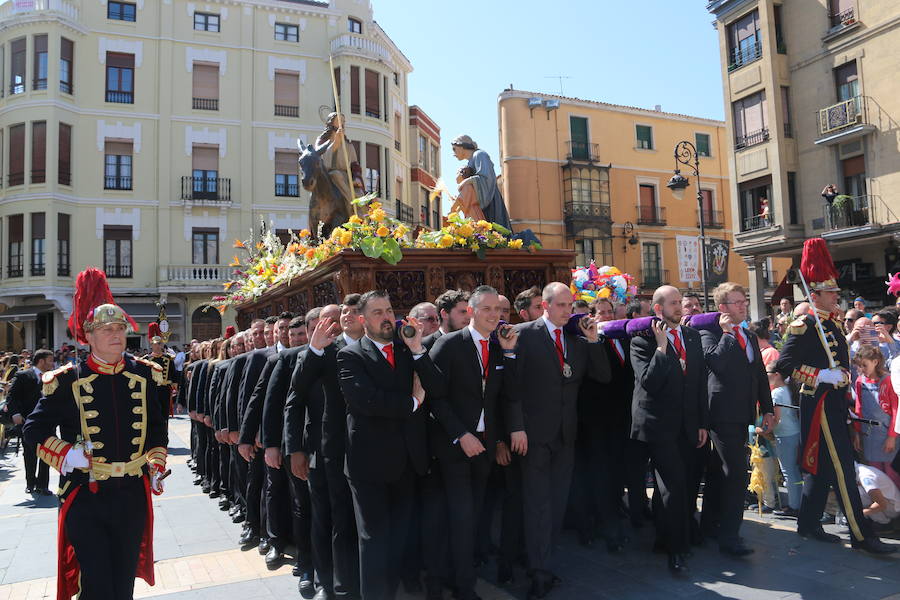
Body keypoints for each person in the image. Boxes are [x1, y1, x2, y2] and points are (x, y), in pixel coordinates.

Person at [23, 267, 169, 600]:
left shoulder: (145, 375)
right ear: (88, 336)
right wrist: (67, 455)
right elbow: (34, 430)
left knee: (123, 584)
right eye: (106, 330)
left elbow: (157, 429)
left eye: (120, 329)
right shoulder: (67, 380)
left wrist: (156, 463)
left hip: (131, 495)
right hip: (86, 496)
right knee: (97, 585)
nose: (116, 335)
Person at [775, 238, 895, 554]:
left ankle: (808, 523)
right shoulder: (805, 324)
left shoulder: (833, 323)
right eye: (830, 292)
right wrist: (820, 375)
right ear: (814, 295)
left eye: (835, 292)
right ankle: (861, 535)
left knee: (824, 467)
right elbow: (784, 364)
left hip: (835, 401)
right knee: (843, 466)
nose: (835, 296)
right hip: (819, 402)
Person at [504, 282, 609, 599]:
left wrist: (594, 341)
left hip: (566, 435)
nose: (567, 311)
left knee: (557, 503)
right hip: (533, 436)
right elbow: (511, 386)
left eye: (570, 305)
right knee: (537, 504)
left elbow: (602, 376)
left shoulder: (577, 338)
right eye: (561, 305)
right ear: (545, 305)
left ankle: (543, 562)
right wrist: (516, 427)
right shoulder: (524, 334)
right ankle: (538, 571)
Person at [335, 290, 441, 600]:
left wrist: (418, 349)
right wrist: (412, 402)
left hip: (408, 461)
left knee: (400, 537)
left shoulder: (408, 349)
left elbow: (436, 386)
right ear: (362, 320)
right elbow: (368, 401)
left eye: (389, 310)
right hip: (370, 465)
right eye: (378, 312)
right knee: (374, 539)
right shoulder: (350, 355)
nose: (386, 317)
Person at [424, 285, 518, 600]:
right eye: (487, 309)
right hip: (453, 447)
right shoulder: (449, 344)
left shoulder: (500, 345)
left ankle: (458, 578)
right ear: (472, 312)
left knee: (472, 517)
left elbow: (507, 395)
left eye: (498, 310)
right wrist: (460, 434)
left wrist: (510, 353)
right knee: (456, 517)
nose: (494, 315)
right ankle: (455, 585)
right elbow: (435, 397)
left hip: (484, 447)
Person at [630, 285, 709, 575]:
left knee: (683, 484)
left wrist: (702, 423)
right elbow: (649, 382)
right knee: (672, 485)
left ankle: (665, 538)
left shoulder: (692, 336)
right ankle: (677, 551)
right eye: (673, 303)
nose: (678, 307)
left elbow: (699, 383)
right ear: (658, 309)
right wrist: (662, 347)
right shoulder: (642, 341)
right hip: (658, 425)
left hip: (688, 425)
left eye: (680, 302)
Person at [699, 283, 774, 557]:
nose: (744, 306)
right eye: (737, 302)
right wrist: (728, 334)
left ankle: (709, 525)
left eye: (744, 301)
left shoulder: (750, 335)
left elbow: (760, 374)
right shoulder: (709, 333)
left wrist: (767, 408)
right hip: (722, 414)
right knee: (736, 473)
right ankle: (730, 536)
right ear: (723, 308)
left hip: (744, 413)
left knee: (719, 471)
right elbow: (716, 363)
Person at [6, 348, 54, 495]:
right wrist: (15, 413)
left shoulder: (53, 377)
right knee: (29, 453)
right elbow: (12, 397)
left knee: (47, 453)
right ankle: (30, 483)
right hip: (28, 421)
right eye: (50, 360)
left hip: (47, 421)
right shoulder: (23, 375)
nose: (53, 364)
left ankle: (43, 485)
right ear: (41, 361)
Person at [852, 345, 900, 489]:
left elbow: (896, 410)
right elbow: (859, 408)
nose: (862, 369)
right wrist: (857, 432)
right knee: (875, 474)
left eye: (864, 365)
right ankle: (881, 501)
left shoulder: (889, 381)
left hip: (887, 434)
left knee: (892, 474)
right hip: (869, 435)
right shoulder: (860, 381)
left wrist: (892, 437)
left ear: (875, 362)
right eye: (859, 366)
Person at [450, 135, 512, 230]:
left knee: (493, 230)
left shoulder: (480, 155)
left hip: (490, 202)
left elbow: (486, 178)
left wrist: (465, 182)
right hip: (478, 206)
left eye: (454, 149)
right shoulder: (470, 162)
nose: (453, 153)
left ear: (461, 146)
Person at [769, 368, 802, 518]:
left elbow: (776, 419)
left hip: (785, 434)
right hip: (794, 432)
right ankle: (797, 503)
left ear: (776, 375)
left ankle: (794, 506)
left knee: (789, 472)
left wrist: (762, 430)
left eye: (768, 372)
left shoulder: (777, 393)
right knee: (794, 471)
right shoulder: (788, 390)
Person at [142, 323, 178, 421]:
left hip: (165, 389)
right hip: (151, 389)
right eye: (155, 344)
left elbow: (173, 373)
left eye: (159, 344)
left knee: (164, 413)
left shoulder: (168, 358)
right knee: (152, 412)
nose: (157, 346)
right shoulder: (146, 359)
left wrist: (175, 387)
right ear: (151, 345)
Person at [856, 462, 900, 530]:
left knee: (859, 494)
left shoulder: (865, 477)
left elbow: (881, 504)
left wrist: (859, 514)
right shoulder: (859, 468)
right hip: (890, 503)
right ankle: (872, 519)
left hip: (893, 508)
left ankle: (883, 523)